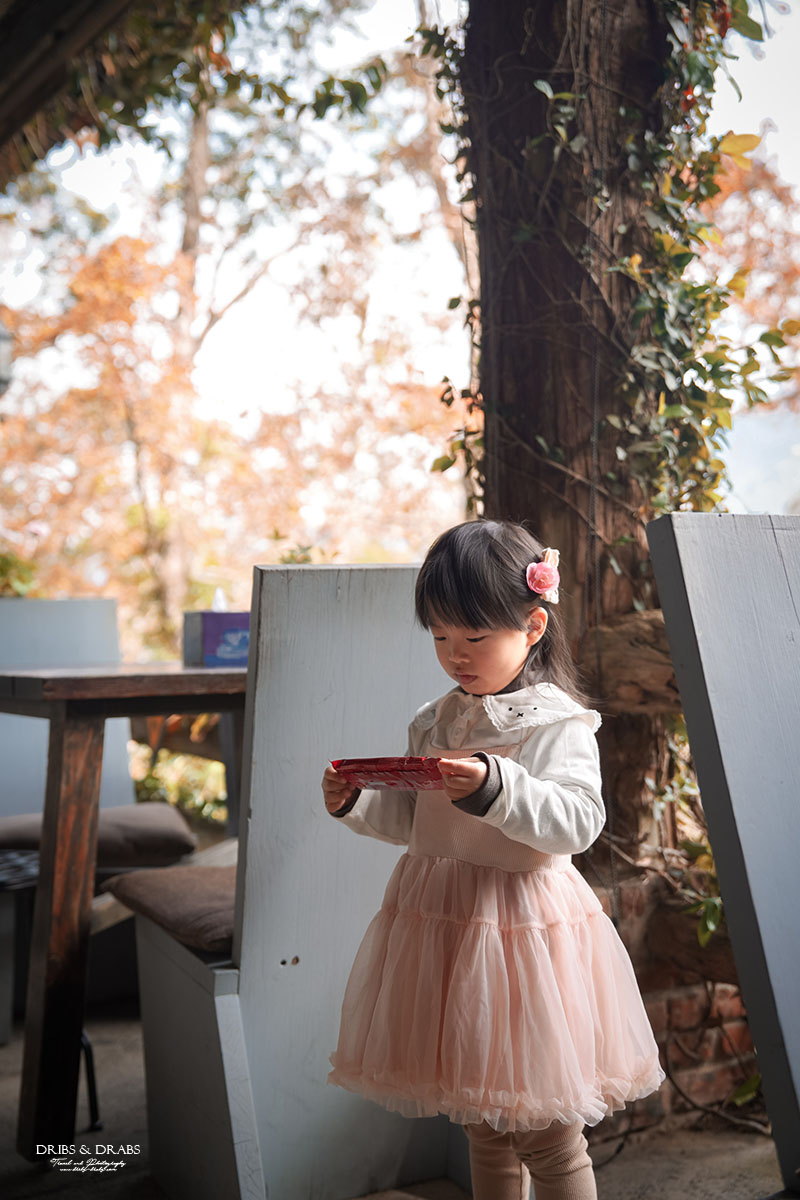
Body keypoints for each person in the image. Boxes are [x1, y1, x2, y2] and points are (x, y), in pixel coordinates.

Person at [322, 519, 664, 1200]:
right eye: (442, 636)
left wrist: (497, 785)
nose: (456, 654)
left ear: (533, 627)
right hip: (445, 922)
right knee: (482, 1122)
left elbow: (578, 822)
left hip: (522, 932)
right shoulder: (435, 719)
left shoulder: (554, 722)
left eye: (474, 637)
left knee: (547, 1133)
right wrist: (355, 801)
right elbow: (420, 823)